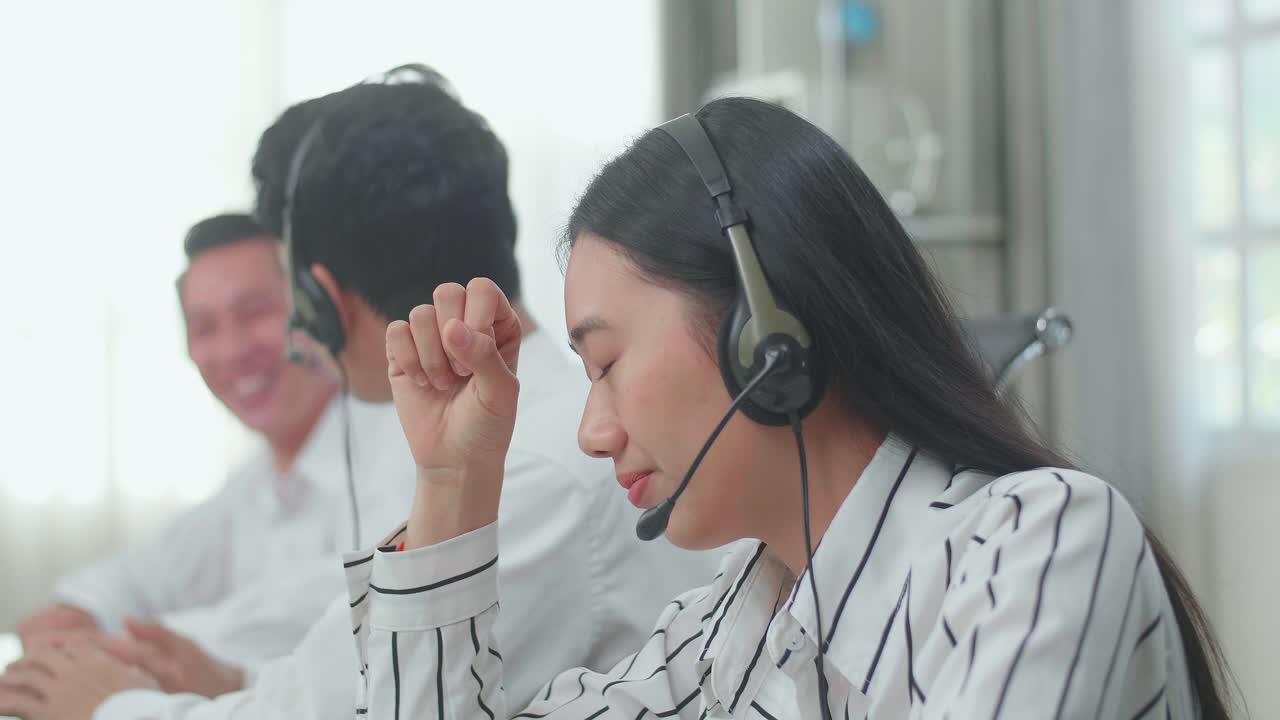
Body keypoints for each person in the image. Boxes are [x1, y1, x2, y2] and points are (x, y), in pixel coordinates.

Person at [352, 98, 1236, 718]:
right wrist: (453, 483)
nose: (593, 430)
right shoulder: (728, 631)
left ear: (764, 334)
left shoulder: (1038, 547)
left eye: (608, 363)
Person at [0, 73, 715, 720]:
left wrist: (106, 707)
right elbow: (361, 674)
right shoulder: (492, 435)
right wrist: (228, 676)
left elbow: (364, 706)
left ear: (317, 298)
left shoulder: (531, 470)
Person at [16, 213, 350, 691]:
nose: (232, 350)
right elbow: (149, 569)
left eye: (256, 312)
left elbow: (334, 608)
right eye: (204, 326)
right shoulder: (254, 482)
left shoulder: (397, 449)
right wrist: (76, 613)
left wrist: (118, 648)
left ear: (320, 309)